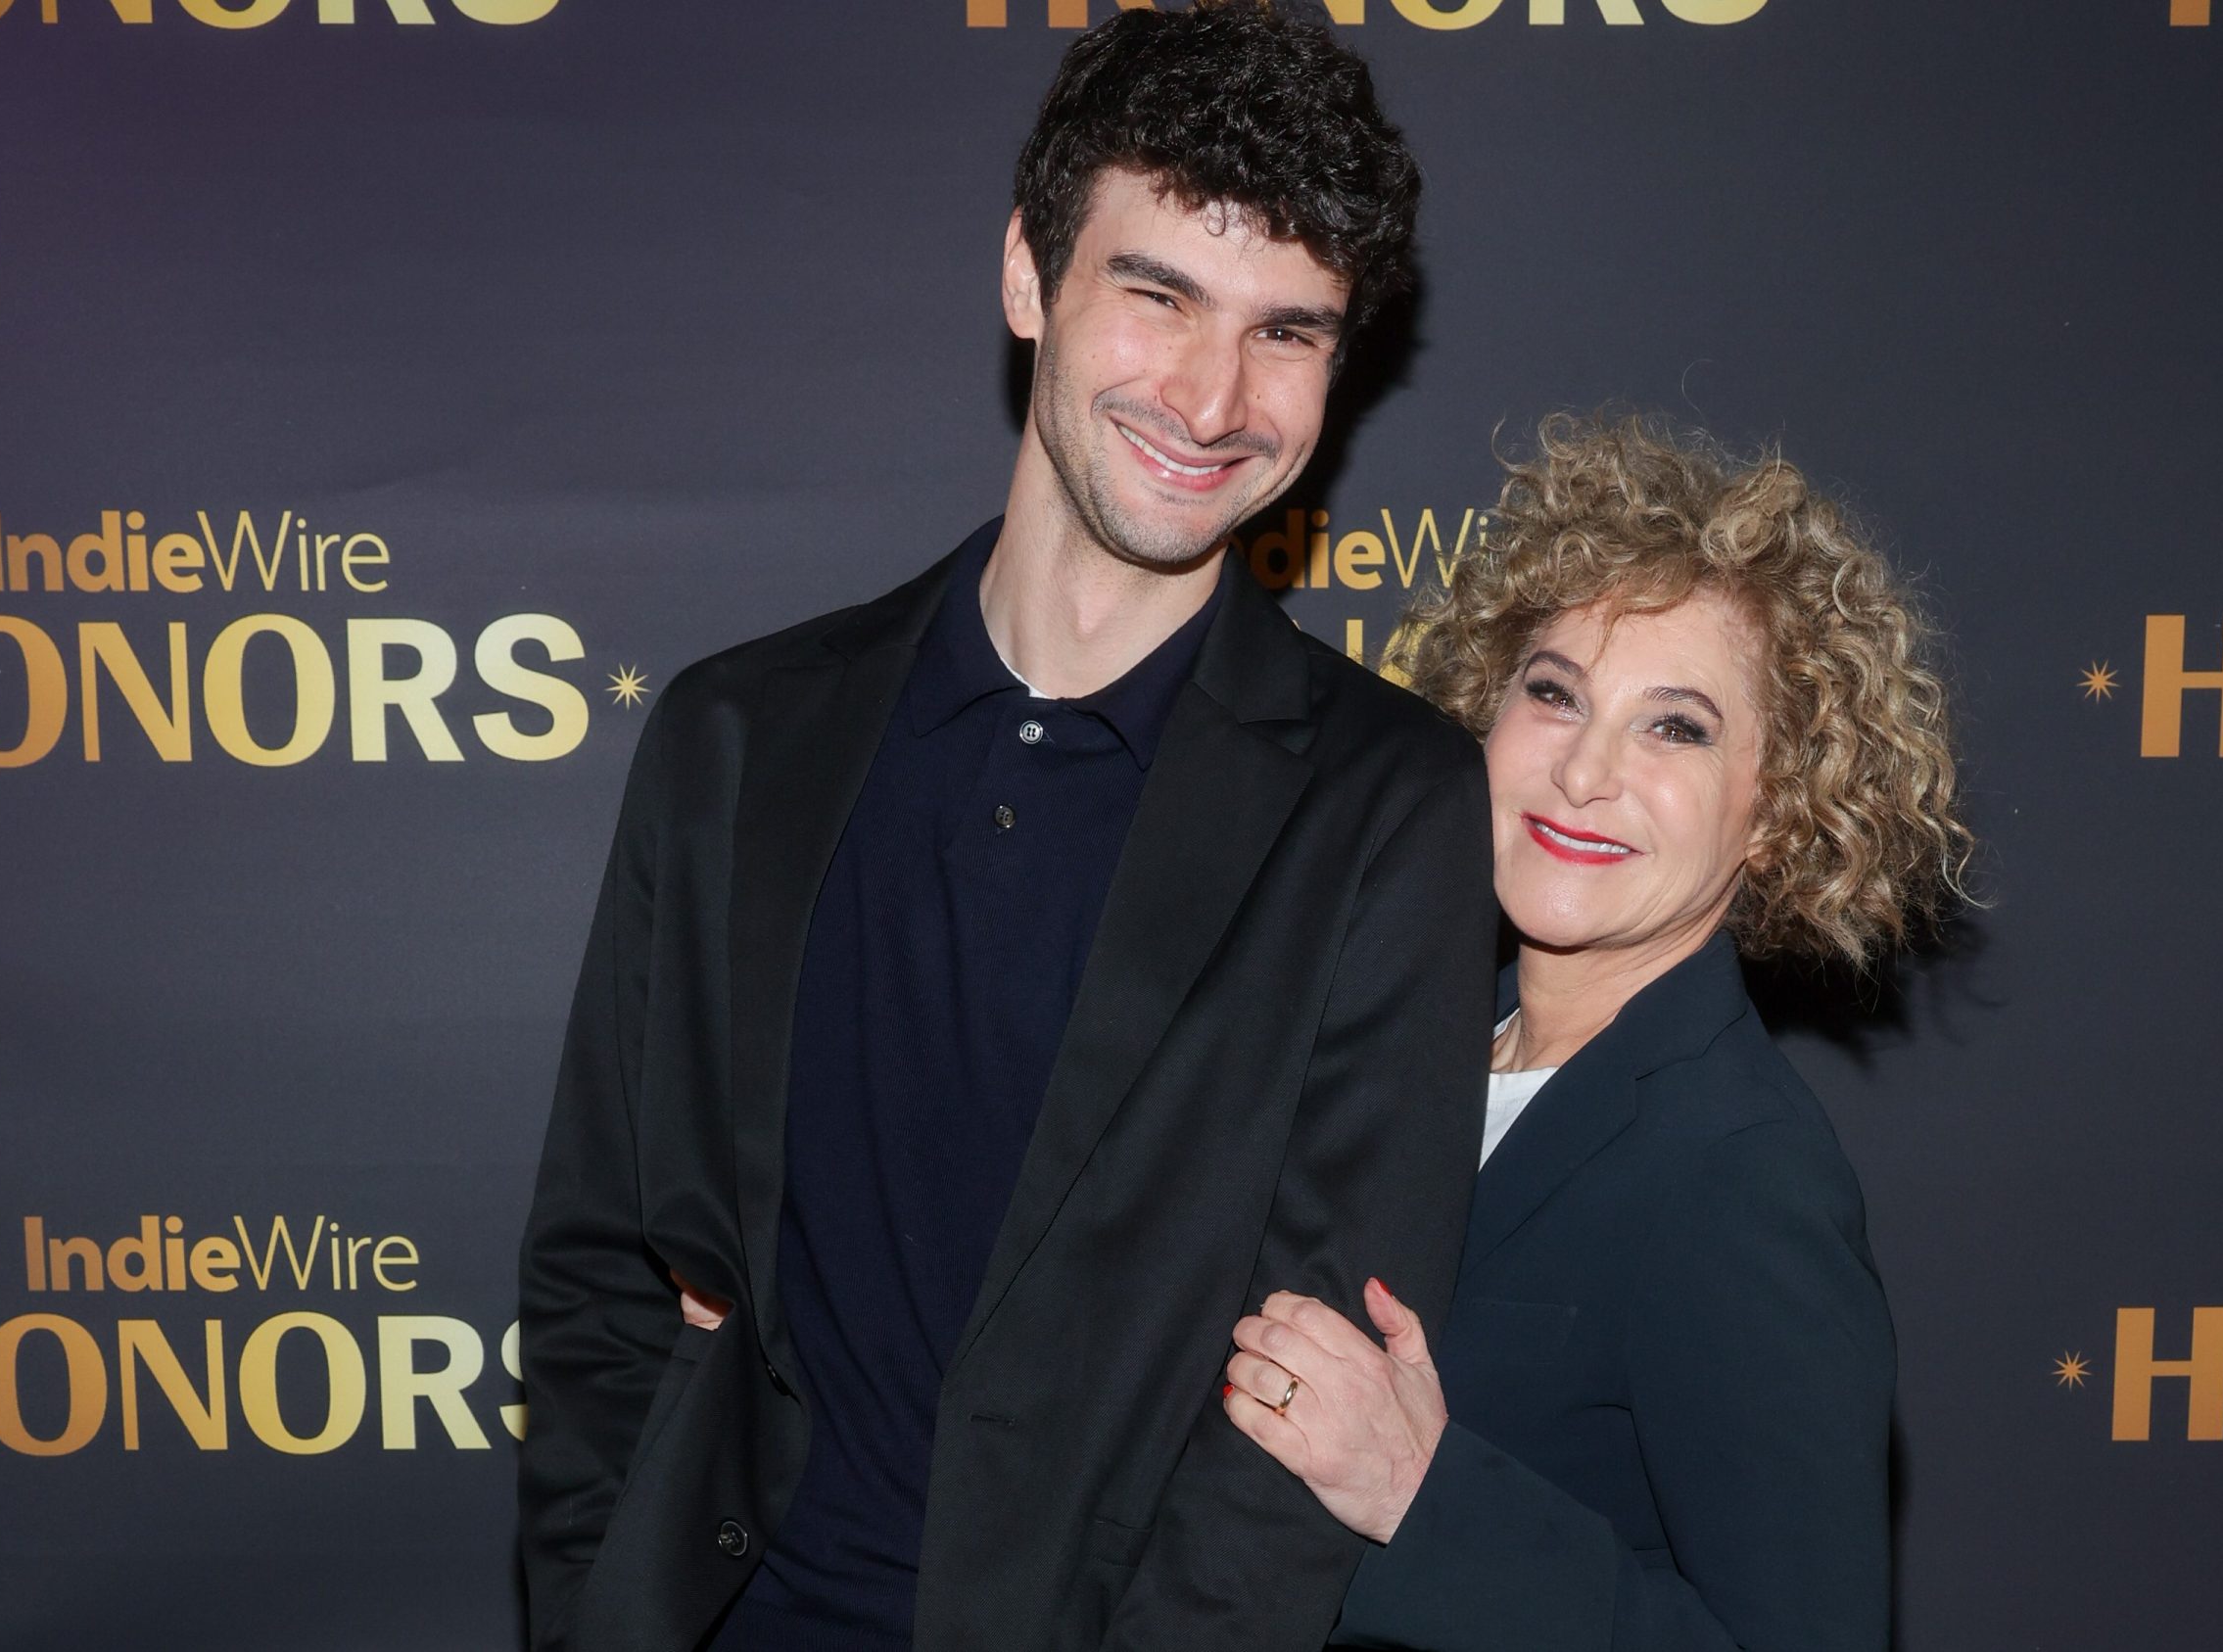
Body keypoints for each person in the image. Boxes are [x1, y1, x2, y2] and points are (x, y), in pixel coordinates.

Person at [514, 9, 1491, 1652]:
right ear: (1032, 279)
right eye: (1158, 294)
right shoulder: (738, 737)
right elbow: (602, 1269)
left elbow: (1293, 1439)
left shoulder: (1383, 806)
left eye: (1289, 332)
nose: (1213, 395)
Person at [1220, 411, 1971, 1652]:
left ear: (1777, 813)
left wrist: (1425, 1496)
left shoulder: (1740, 1174)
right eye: (1556, 694)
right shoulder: (1395, 1049)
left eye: (1676, 726)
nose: (1582, 772)